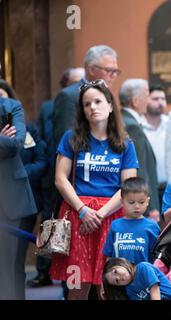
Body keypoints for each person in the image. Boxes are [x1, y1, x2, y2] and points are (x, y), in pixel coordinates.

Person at [49, 79, 139, 300]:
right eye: (87, 104)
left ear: (110, 106)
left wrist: (100, 213)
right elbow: (60, 179)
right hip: (78, 216)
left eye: (98, 102)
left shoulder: (125, 144)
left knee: (108, 285)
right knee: (77, 284)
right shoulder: (71, 138)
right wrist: (83, 210)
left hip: (111, 216)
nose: (92, 108)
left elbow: (127, 187)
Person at [27, 67, 84, 288]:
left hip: (73, 175)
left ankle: (62, 278)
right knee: (53, 220)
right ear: (65, 83)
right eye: (76, 81)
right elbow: (44, 136)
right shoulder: (52, 105)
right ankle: (45, 270)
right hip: (56, 170)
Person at [0, 79, 48, 297]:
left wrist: (6, 143)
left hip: (12, 197)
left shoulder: (12, 107)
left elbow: (15, 144)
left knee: (11, 262)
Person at [53, 45, 121, 147]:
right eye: (108, 70)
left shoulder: (108, 94)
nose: (113, 76)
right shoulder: (69, 96)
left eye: (115, 71)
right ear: (91, 70)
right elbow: (65, 142)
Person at [119, 79, 160, 218]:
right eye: (147, 96)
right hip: (138, 202)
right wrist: (150, 206)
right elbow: (140, 168)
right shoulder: (132, 126)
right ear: (136, 101)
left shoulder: (122, 120)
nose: (148, 101)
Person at [103, 177, 160, 264]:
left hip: (143, 275)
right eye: (131, 202)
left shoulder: (152, 226)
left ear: (147, 201)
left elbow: (157, 258)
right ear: (122, 202)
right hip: (119, 274)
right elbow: (109, 256)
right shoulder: (115, 225)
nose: (137, 206)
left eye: (141, 202)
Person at [102, 257, 171, 300]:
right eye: (117, 281)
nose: (119, 278)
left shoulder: (143, 267)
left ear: (120, 262)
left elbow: (155, 291)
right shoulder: (129, 291)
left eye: (115, 271)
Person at [142, 84, 169, 209]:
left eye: (163, 99)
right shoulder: (138, 125)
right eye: (155, 99)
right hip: (147, 188)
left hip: (169, 186)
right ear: (145, 100)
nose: (160, 103)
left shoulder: (170, 123)